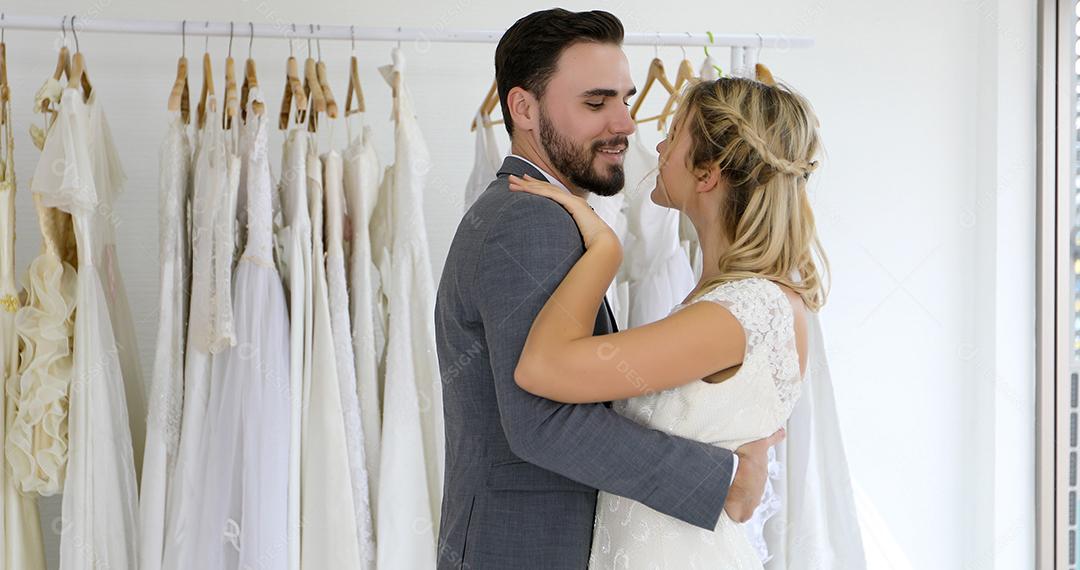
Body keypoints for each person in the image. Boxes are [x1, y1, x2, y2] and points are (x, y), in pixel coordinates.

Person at [434, 9, 782, 569]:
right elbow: (541, 421)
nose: (625, 123)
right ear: (523, 108)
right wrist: (726, 481)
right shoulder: (531, 221)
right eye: (596, 104)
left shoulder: (541, 212)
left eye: (626, 98)